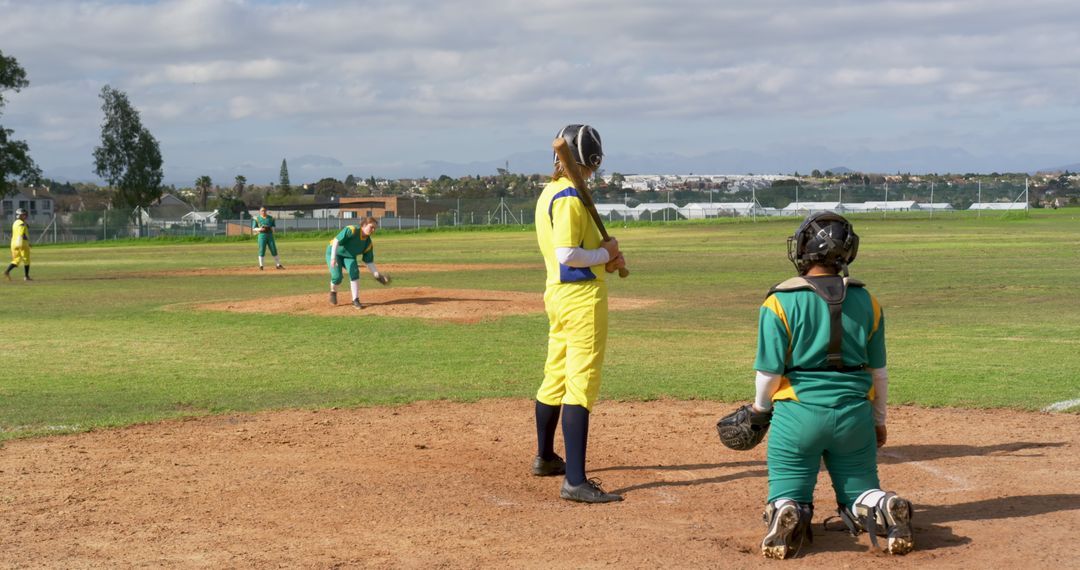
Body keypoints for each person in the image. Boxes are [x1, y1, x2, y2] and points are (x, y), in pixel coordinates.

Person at [751, 212, 913, 559]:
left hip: (797, 414)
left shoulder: (779, 301)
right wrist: (878, 421)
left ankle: (785, 511)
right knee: (860, 491)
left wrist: (759, 411)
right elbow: (878, 372)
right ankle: (883, 505)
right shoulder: (867, 300)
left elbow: (768, 372)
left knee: (787, 490)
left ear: (803, 250)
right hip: (854, 414)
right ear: (847, 254)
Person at [531, 124, 627, 504]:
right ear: (593, 158)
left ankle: (545, 457)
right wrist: (607, 254)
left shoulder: (550, 192)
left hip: (557, 295)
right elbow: (569, 256)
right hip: (580, 296)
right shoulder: (571, 196)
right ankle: (575, 480)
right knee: (580, 382)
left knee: (555, 375)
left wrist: (606, 253)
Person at [325, 216, 389, 309]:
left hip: (349, 257)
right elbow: (336, 241)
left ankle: (355, 300)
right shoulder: (352, 230)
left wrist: (377, 275)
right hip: (334, 253)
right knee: (337, 277)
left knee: (354, 272)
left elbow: (369, 262)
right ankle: (333, 292)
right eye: (371, 227)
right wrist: (333, 258)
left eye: (375, 228)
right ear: (363, 225)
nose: (373, 230)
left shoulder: (368, 243)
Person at [4, 208, 31, 281]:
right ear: (20, 216)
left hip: (13, 243)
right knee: (26, 259)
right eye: (24, 215)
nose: (25, 216)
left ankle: (7, 271)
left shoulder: (14, 223)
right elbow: (22, 233)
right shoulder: (22, 223)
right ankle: (26, 276)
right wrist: (28, 242)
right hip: (22, 243)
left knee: (16, 260)